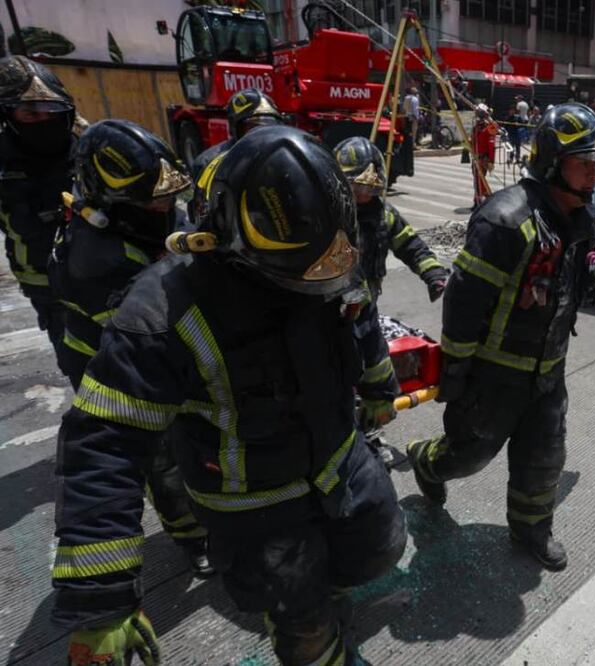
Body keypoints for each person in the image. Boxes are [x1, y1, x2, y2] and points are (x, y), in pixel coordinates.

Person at [53, 126, 407, 666]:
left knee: (378, 547)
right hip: (256, 501)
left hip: (340, 459)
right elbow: (103, 443)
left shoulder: (327, 250)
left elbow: (359, 320)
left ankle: (327, 602)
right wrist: (102, 597)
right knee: (301, 619)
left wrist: (380, 385)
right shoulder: (163, 311)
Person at [405, 103, 595, 571]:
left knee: (544, 458)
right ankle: (427, 462)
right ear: (551, 162)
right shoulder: (504, 220)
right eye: (583, 164)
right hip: (494, 375)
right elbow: (462, 305)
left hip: (548, 371)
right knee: (468, 457)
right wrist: (456, 374)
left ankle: (531, 530)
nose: (592, 176)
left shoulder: (582, 218)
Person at [48, 119, 214, 578]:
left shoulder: (156, 216)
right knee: (159, 454)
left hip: (155, 345)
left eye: (169, 198)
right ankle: (191, 536)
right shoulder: (96, 258)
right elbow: (151, 333)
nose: (165, 207)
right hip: (107, 360)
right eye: (154, 200)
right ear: (116, 202)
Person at [0, 56, 79, 369]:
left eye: (51, 111)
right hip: (45, 286)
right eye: (30, 114)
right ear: (9, 115)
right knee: (77, 363)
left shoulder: (84, 146)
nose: (43, 119)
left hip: (99, 276)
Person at [334, 136, 448, 302]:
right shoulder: (327, 216)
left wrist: (433, 273)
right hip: (328, 307)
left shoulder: (384, 216)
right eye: (357, 188)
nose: (364, 195)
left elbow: (411, 245)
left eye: (370, 189)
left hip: (367, 303)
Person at [189, 88, 283, 220]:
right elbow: (202, 212)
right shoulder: (208, 163)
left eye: (269, 125)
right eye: (253, 126)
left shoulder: (284, 157)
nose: (262, 132)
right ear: (235, 128)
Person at [471, 103, 498, 208]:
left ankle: (483, 199)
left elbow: (491, 145)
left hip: (484, 158)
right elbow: (473, 141)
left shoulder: (489, 127)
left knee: (479, 180)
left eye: (481, 114)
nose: (478, 117)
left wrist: (491, 160)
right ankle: (480, 199)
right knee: (477, 180)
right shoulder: (476, 127)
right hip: (476, 157)